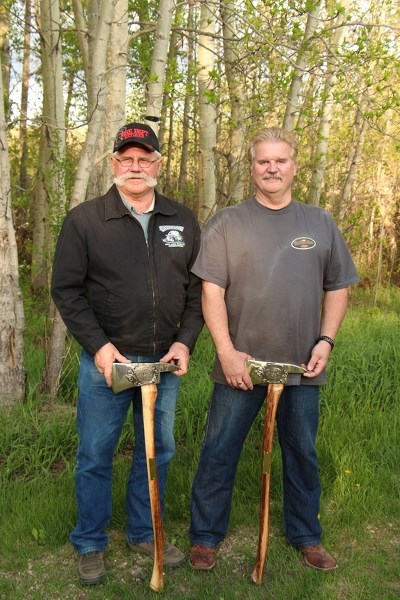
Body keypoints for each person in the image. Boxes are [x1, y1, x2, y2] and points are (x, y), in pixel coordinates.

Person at [188, 126, 360, 573]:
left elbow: (338, 286)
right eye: (263, 160)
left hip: (302, 365)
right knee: (219, 449)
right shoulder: (227, 222)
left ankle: (306, 535)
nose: (271, 168)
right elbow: (211, 290)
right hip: (240, 364)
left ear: (294, 166)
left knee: (301, 450)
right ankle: (206, 537)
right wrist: (225, 352)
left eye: (280, 160)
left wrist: (326, 340)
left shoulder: (320, 222)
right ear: (252, 167)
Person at [51, 122, 203, 585]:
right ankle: (90, 542)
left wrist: (184, 341)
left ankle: (143, 532)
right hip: (107, 365)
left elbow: (199, 292)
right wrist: (99, 347)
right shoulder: (86, 220)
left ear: (158, 165)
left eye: (145, 159)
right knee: (96, 453)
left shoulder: (182, 220)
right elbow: (67, 291)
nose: (136, 166)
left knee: (158, 451)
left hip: (163, 363)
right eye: (127, 158)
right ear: (115, 164)